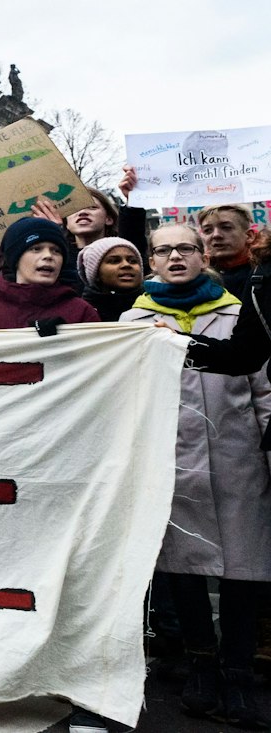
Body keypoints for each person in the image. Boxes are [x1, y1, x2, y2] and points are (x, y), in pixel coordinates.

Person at [125, 224, 271, 725]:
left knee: (242, 571)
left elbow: (264, 392)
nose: (175, 256)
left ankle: (238, 674)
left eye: (186, 247)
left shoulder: (239, 313)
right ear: (153, 260)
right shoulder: (133, 321)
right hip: (170, 463)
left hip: (239, 460)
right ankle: (201, 664)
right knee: (181, 566)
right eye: (163, 250)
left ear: (202, 253)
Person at [0, 218, 99, 332]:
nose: (48, 256)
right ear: (15, 257)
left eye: (56, 251)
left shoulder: (81, 310)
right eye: (36, 249)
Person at [197, 205, 260, 299]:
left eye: (226, 228)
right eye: (208, 230)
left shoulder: (265, 272)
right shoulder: (197, 277)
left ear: (249, 236)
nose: (216, 235)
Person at [79, 237, 146, 322]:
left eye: (133, 261)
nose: (126, 265)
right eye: (114, 261)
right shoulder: (81, 313)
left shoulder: (156, 305)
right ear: (96, 273)